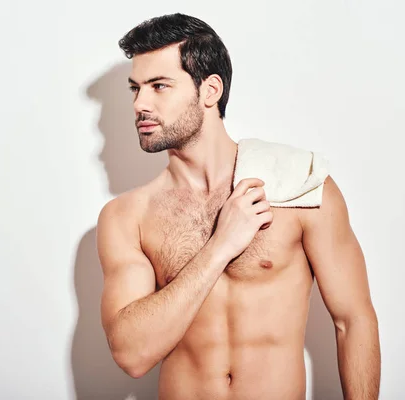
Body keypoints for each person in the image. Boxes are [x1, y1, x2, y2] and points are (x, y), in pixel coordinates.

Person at [96, 13, 380, 400]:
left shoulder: (301, 187)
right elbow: (131, 355)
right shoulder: (127, 217)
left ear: (210, 90)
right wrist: (220, 246)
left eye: (159, 86)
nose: (139, 104)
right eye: (135, 89)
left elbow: (354, 320)